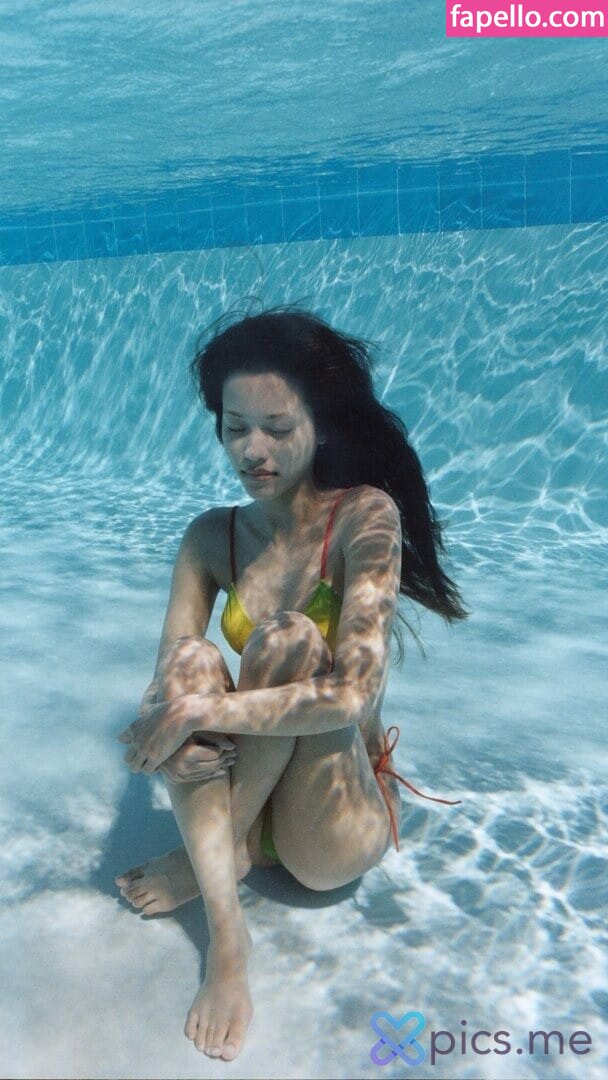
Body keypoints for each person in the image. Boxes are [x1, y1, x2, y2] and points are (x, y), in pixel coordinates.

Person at [115, 305, 468, 1062]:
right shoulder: (210, 536)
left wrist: (196, 712)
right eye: (235, 427)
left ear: (321, 424)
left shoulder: (364, 517)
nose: (254, 449)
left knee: (288, 639)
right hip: (248, 785)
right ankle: (229, 946)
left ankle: (219, 849)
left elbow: (352, 693)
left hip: (329, 820)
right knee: (189, 664)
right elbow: (167, 679)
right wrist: (170, 718)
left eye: (277, 427)